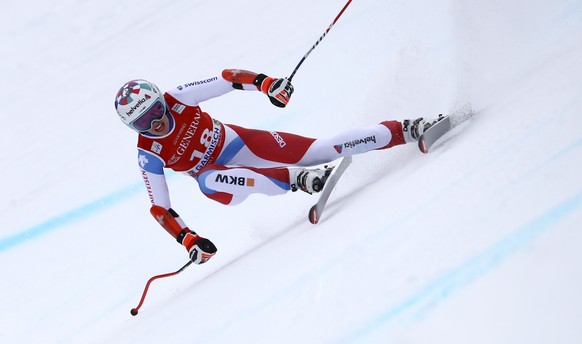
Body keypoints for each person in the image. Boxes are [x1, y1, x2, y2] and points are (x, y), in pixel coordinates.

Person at [114, 69, 438, 265]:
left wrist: (268, 84)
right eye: (142, 121)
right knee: (209, 178)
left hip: (242, 143)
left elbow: (227, 79)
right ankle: (299, 180)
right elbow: (159, 207)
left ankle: (409, 128)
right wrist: (188, 239)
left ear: (161, 100)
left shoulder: (178, 98)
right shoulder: (148, 153)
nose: (154, 123)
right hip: (225, 184)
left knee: (322, 149)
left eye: (155, 111)